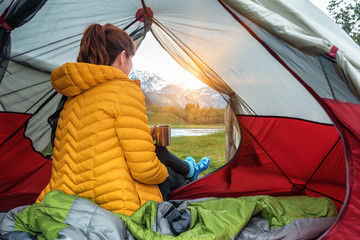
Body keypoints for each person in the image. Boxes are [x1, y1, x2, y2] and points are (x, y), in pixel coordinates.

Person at [36, 23, 210, 216]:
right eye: (131, 58)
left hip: (68, 198)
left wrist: (142, 135)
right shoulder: (124, 90)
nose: (131, 65)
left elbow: (97, 145)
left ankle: (188, 169)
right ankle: (189, 172)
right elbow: (144, 169)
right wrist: (162, 171)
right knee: (168, 174)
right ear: (122, 57)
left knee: (162, 165)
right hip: (115, 203)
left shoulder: (72, 97)